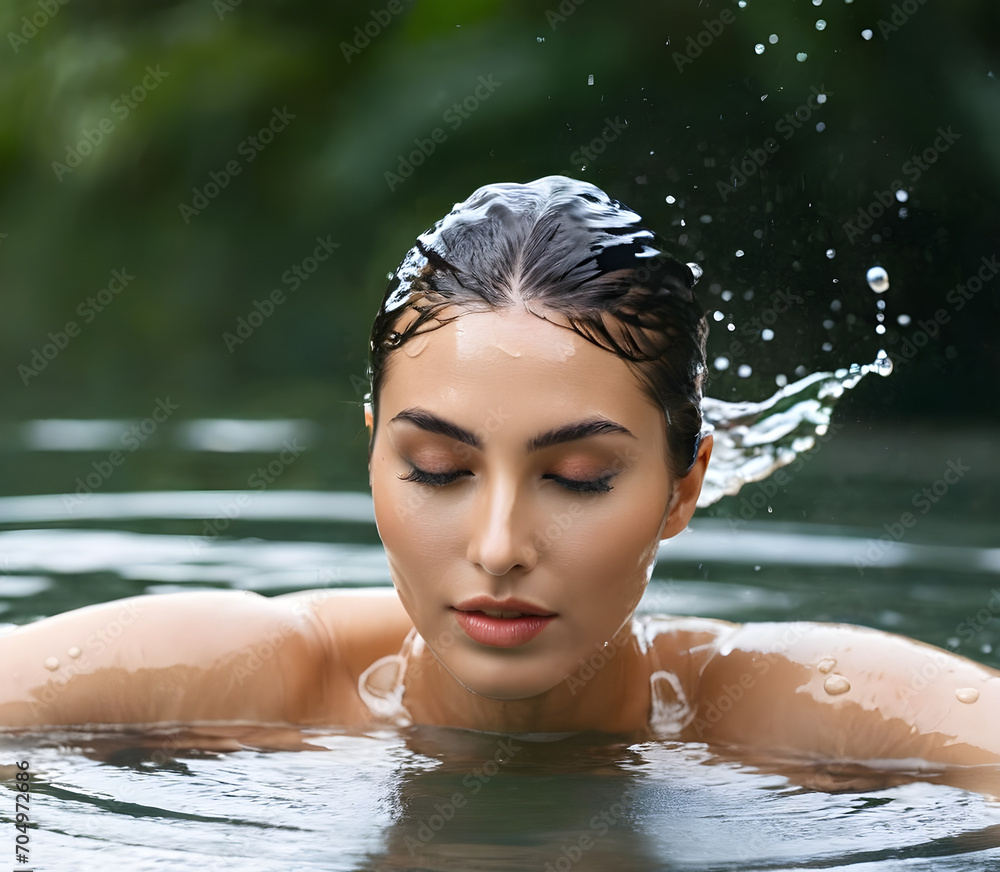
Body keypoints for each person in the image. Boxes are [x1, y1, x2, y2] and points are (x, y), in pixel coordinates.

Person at [2, 176, 998, 788]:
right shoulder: (264, 677)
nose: (497, 547)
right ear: (374, 456)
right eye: (438, 469)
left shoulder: (777, 707)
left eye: (578, 477)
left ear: (683, 487)